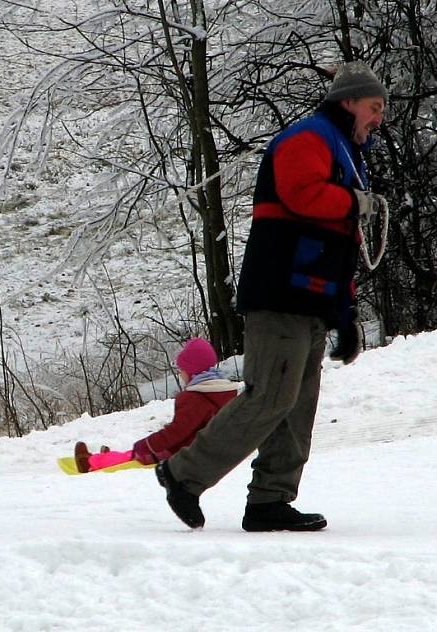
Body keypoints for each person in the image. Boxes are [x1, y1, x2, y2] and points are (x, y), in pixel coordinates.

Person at [156, 61, 388, 532]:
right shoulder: (308, 138)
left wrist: (345, 315)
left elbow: (344, 243)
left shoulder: (342, 148)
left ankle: (270, 500)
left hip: (312, 300)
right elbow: (302, 195)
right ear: (349, 102)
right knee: (269, 397)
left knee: (297, 403)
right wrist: (356, 202)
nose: (379, 117)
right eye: (374, 106)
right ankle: (182, 473)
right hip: (281, 293)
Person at [74, 338, 239, 473]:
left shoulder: (195, 397)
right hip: (210, 452)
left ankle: (90, 462)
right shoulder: (223, 392)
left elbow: (177, 432)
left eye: (182, 370)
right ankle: (109, 457)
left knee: (137, 455)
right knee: (137, 453)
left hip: (185, 453)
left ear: (192, 372)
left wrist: (146, 444)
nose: (180, 374)